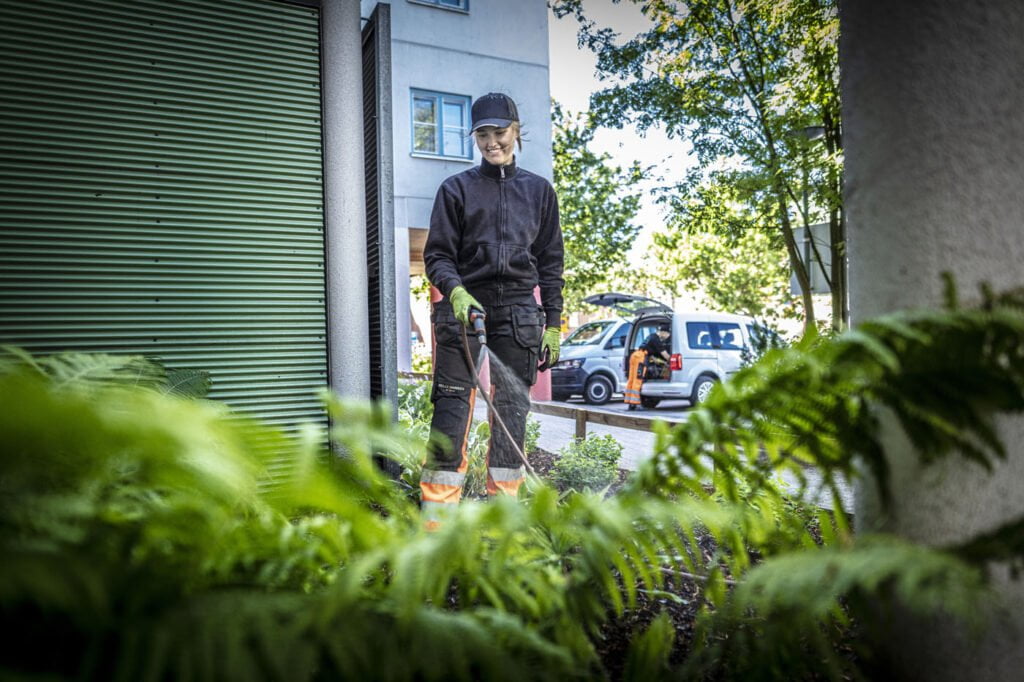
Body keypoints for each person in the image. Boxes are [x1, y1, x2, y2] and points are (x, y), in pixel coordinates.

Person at [420, 92, 564, 529]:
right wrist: (455, 291)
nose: (491, 142)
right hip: (463, 311)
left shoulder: (539, 192)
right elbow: (437, 255)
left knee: (511, 414)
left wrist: (552, 322)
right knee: (450, 410)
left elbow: (551, 263)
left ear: (516, 132)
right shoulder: (456, 190)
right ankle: (437, 521)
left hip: (519, 314)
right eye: (482, 134)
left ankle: (504, 513)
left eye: (499, 132)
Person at [624, 323, 671, 411]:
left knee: (632, 379)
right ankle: (635, 404)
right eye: (668, 335)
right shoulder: (656, 340)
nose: (667, 337)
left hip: (635, 355)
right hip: (640, 358)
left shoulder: (651, 336)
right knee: (638, 380)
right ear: (664, 332)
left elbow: (651, 352)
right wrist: (671, 360)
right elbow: (665, 354)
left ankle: (630, 403)